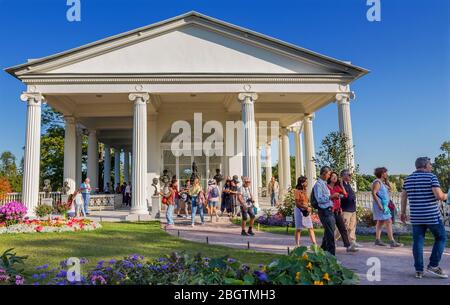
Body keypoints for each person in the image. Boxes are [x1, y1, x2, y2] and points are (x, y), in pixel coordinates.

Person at [401, 157, 448, 279]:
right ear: (425, 165)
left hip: (416, 216)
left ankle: (419, 270)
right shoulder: (431, 177)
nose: (431, 166)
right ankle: (433, 265)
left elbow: (403, 197)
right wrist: (446, 195)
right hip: (432, 216)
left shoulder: (408, 179)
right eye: (430, 164)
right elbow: (439, 196)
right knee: (441, 237)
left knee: (417, 242)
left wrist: (402, 212)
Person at [371, 167, 403, 248]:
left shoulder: (381, 182)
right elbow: (374, 193)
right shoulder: (377, 182)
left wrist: (387, 181)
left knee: (380, 222)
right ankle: (392, 241)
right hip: (381, 205)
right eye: (385, 172)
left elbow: (390, 189)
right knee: (388, 221)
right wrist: (379, 205)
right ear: (382, 173)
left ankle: (377, 240)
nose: (387, 174)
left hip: (384, 204)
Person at [313, 166, 341, 255]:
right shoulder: (318, 185)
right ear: (324, 173)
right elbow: (319, 199)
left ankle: (321, 254)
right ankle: (332, 258)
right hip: (324, 212)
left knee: (328, 233)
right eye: (329, 174)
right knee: (330, 236)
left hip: (329, 211)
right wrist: (331, 196)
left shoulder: (324, 184)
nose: (329, 176)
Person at [327, 172, 358, 252]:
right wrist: (333, 196)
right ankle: (330, 243)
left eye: (336, 176)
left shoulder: (339, 186)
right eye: (333, 176)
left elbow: (345, 195)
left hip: (339, 210)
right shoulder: (326, 187)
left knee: (343, 228)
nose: (335, 178)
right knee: (332, 229)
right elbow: (325, 198)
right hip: (332, 210)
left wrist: (341, 186)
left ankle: (349, 246)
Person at [336, 169, 362, 248]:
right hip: (346, 209)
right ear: (343, 176)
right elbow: (343, 195)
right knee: (343, 226)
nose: (350, 176)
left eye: (350, 175)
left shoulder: (348, 184)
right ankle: (333, 239)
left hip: (352, 209)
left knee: (352, 226)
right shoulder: (340, 185)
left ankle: (353, 241)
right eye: (348, 175)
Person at [293, 176, 317, 246]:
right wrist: (306, 208)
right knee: (299, 228)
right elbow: (297, 204)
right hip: (299, 211)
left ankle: (314, 244)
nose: (307, 183)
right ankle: (297, 245)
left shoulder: (305, 191)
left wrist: (308, 207)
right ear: (302, 183)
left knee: (310, 227)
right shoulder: (297, 191)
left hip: (306, 210)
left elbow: (306, 201)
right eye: (306, 182)